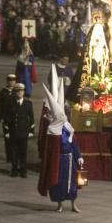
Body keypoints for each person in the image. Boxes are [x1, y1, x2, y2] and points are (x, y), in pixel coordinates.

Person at [36, 83, 83, 213]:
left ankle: (74, 204)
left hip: (70, 159)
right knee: (58, 183)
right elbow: (50, 147)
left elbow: (74, 143)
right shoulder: (52, 130)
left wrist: (78, 156)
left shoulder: (68, 127)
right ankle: (59, 204)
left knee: (72, 183)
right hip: (59, 160)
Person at [5, 83, 34, 177]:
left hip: (23, 132)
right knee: (14, 152)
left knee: (23, 152)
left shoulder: (28, 104)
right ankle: (14, 170)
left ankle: (23, 170)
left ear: (23, 92)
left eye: (21, 91)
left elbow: (31, 118)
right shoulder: (10, 103)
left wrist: (31, 131)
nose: (19, 93)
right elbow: (7, 119)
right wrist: (7, 132)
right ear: (15, 92)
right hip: (13, 132)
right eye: (17, 91)